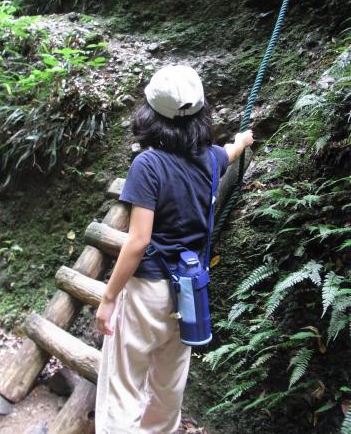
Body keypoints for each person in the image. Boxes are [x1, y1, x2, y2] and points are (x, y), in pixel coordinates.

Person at [95, 65, 253, 433]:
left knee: (123, 387)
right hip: (188, 293)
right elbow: (227, 153)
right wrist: (243, 141)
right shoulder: (208, 158)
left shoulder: (147, 165)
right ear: (201, 112)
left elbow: (138, 242)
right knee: (168, 386)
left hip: (147, 291)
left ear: (150, 114)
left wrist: (109, 297)